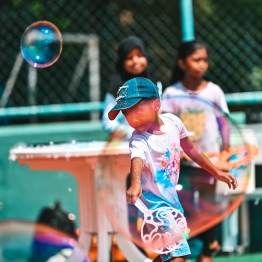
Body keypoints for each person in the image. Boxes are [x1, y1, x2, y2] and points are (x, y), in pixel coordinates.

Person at [108, 77, 237, 262]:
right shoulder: (139, 139)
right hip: (154, 206)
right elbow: (136, 159)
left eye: (136, 110)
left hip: (171, 203)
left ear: (156, 104)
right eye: (126, 114)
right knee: (179, 253)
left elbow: (191, 149)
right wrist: (135, 183)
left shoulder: (173, 123)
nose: (132, 119)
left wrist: (216, 171)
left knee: (168, 254)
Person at [160, 40, 230, 262]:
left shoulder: (214, 91)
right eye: (195, 59)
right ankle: (183, 252)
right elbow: (164, 126)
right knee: (186, 209)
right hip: (183, 165)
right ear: (182, 62)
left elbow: (224, 123)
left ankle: (207, 254)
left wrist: (226, 151)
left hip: (209, 161)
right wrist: (174, 151)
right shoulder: (172, 93)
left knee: (209, 208)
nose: (201, 65)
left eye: (204, 60)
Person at [102, 35, 159, 140]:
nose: (135, 61)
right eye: (129, 58)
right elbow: (108, 122)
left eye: (140, 55)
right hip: (126, 144)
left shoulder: (155, 85)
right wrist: (131, 133)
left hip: (153, 141)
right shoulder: (117, 88)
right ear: (122, 61)